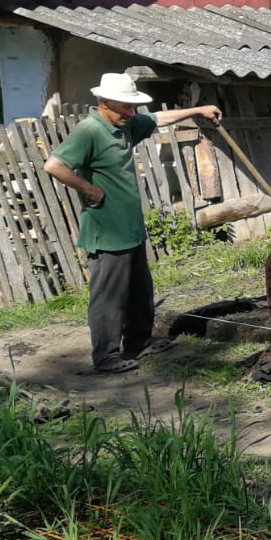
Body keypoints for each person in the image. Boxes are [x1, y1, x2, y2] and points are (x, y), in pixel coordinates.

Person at [43, 72, 222, 373]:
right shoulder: (90, 131)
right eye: (125, 107)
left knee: (141, 290)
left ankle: (139, 341)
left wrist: (197, 111)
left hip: (130, 228)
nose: (131, 112)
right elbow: (54, 165)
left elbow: (158, 118)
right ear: (104, 103)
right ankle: (106, 356)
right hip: (106, 230)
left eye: (132, 106)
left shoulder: (123, 126)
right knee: (109, 298)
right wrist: (88, 189)